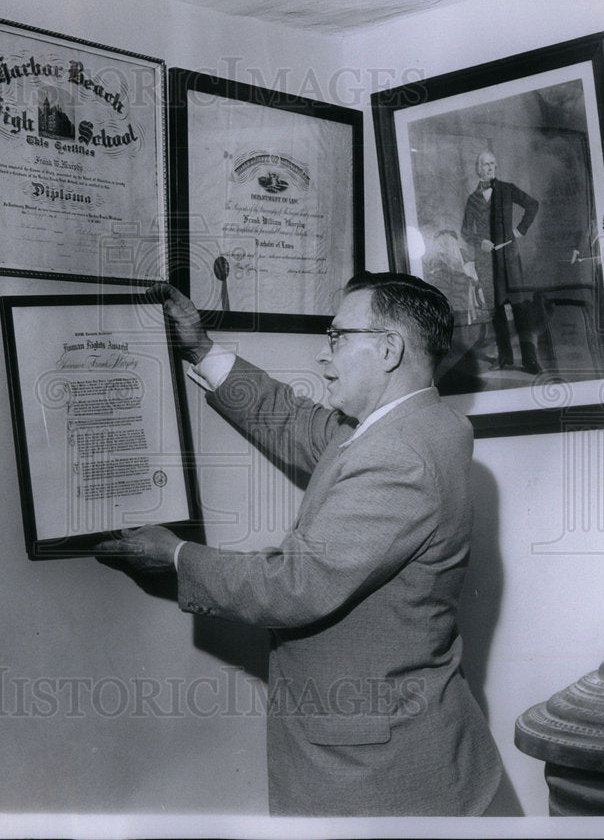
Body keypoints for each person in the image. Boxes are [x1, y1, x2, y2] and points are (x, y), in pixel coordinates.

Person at [95, 272, 503, 817]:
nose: (323, 354)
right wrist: (203, 349)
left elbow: (293, 587)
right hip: (407, 743)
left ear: (388, 350)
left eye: (337, 337)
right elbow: (295, 423)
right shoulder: (423, 425)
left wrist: (174, 555)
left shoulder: (401, 456)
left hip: (377, 773)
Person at [460, 150, 542, 373]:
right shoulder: (473, 199)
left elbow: (532, 204)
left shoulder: (507, 189)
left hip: (510, 259)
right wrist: (480, 241)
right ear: (478, 168)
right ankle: (505, 358)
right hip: (487, 263)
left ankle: (530, 360)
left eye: (493, 164)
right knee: (496, 311)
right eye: (485, 164)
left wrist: (520, 230)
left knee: (521, 310)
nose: (490, 168)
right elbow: (466, 232)